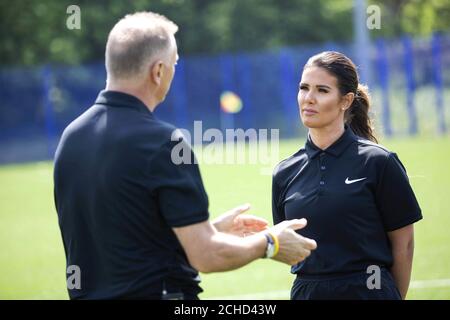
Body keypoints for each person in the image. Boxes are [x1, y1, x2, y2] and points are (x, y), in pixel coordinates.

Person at [53, 11, 317, 300]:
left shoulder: (71, 138)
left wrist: (210, 229)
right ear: (158, 71)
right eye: (174, 64)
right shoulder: (164, 142)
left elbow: (125, 242)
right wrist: (271, 243)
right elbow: (207, 256)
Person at [272, 51, 422, 300]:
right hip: (308, 292)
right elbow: (287, 246)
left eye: (322, 90)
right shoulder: (283, 172)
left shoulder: (378, 162)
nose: (308, 98)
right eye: (304, 88)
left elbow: (404, 244)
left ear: (346, 100)